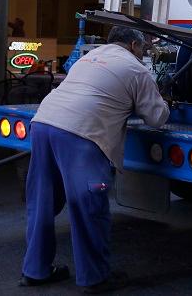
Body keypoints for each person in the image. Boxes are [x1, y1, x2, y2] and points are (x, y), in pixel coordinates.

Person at [20, 26, 170, 293]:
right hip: (80, 133)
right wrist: (165, 100)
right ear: (134, 46)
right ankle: (94, 278)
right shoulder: (137, 69)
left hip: (43, 123)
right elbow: (157, 118)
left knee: (42, 202)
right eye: (143, 46)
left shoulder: (87, 59)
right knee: (88, 206)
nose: (144, 50)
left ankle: (35, 271)